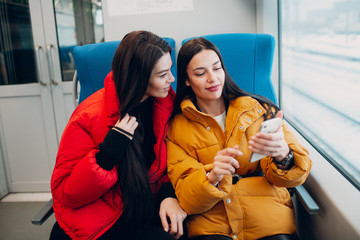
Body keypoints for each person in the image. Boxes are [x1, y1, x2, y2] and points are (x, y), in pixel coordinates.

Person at [166, 38, 312, 240]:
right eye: (200, 73)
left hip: (268, 218)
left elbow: (296, 178)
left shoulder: (259, 110)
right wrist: (212, 177)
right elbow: (188, 199)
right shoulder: (176, 128)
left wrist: (283, 156)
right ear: (186, 80)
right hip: (213, 225)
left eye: (217, 69)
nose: (212, 78)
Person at [50, 31, 187, 240]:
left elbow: (173, 162)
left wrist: (169, 195)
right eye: (162, 75)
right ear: (139, 78)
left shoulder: (164, 105)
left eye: (170, 70)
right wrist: (107, 154)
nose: (172, 79)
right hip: (102, 218)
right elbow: (65, 193)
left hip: (142, 207)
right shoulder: (88, 116)